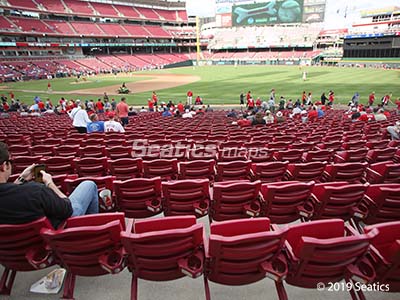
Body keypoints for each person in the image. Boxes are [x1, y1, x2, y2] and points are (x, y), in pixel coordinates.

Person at [0, 142, 98, 229]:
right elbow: (67, 209)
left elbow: (8, 193)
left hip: (15, 246)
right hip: (56, 233)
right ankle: (90, 231)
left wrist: (21, 179)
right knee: (89, 185)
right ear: (4, 166)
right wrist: (49, 183)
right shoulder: (36, 191)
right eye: (10, 162)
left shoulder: (17, 194)